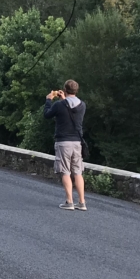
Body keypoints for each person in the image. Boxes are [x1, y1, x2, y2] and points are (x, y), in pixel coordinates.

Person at [43, 79, 87, 211]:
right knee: (78, 172)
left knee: (65, 172)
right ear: (76, 90)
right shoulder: (82, 105)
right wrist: (64, 99)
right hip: (77, 142)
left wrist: (49, 100)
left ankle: (69, 202)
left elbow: (47, 115)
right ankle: (82, 202)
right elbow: (70, 110)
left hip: (63, 142)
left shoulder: (59, 105)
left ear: (65, 89)